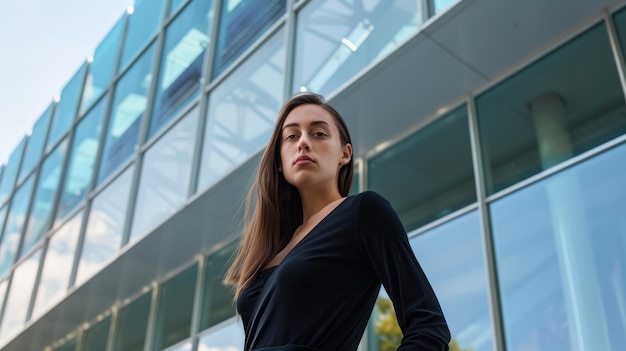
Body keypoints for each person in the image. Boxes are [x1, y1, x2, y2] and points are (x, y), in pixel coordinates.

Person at [224, 92, 450, 351]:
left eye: (319, 134)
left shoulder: (363, 213)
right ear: (279, 161)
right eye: (291, 136)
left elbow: (429, 327)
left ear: (345, 154)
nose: (303, 143)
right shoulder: (274, 245)